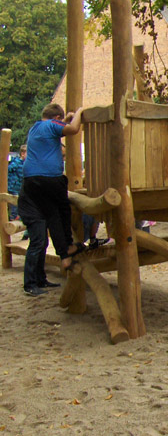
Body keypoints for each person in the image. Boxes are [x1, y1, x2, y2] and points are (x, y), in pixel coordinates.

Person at [21, 103, 85, 294]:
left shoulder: (36, 127)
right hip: (48, 178)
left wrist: (64, 120)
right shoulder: (51, 126)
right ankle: (66, 249)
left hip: (31, 182)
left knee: (52, 216)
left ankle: (44, 274)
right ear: (56, 118)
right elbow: (73, 129)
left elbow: (59, 128)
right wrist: (80, 112)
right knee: (62, 211)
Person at [7, 144, 26, 220]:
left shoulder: (24, 163)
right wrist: (12, 179)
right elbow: (8, 170)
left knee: (19, 202)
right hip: (14, 187)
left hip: (19, 187)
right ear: (23, 154)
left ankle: (18, 216)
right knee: (14, 203)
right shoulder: (17, 162)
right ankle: (13, 217)